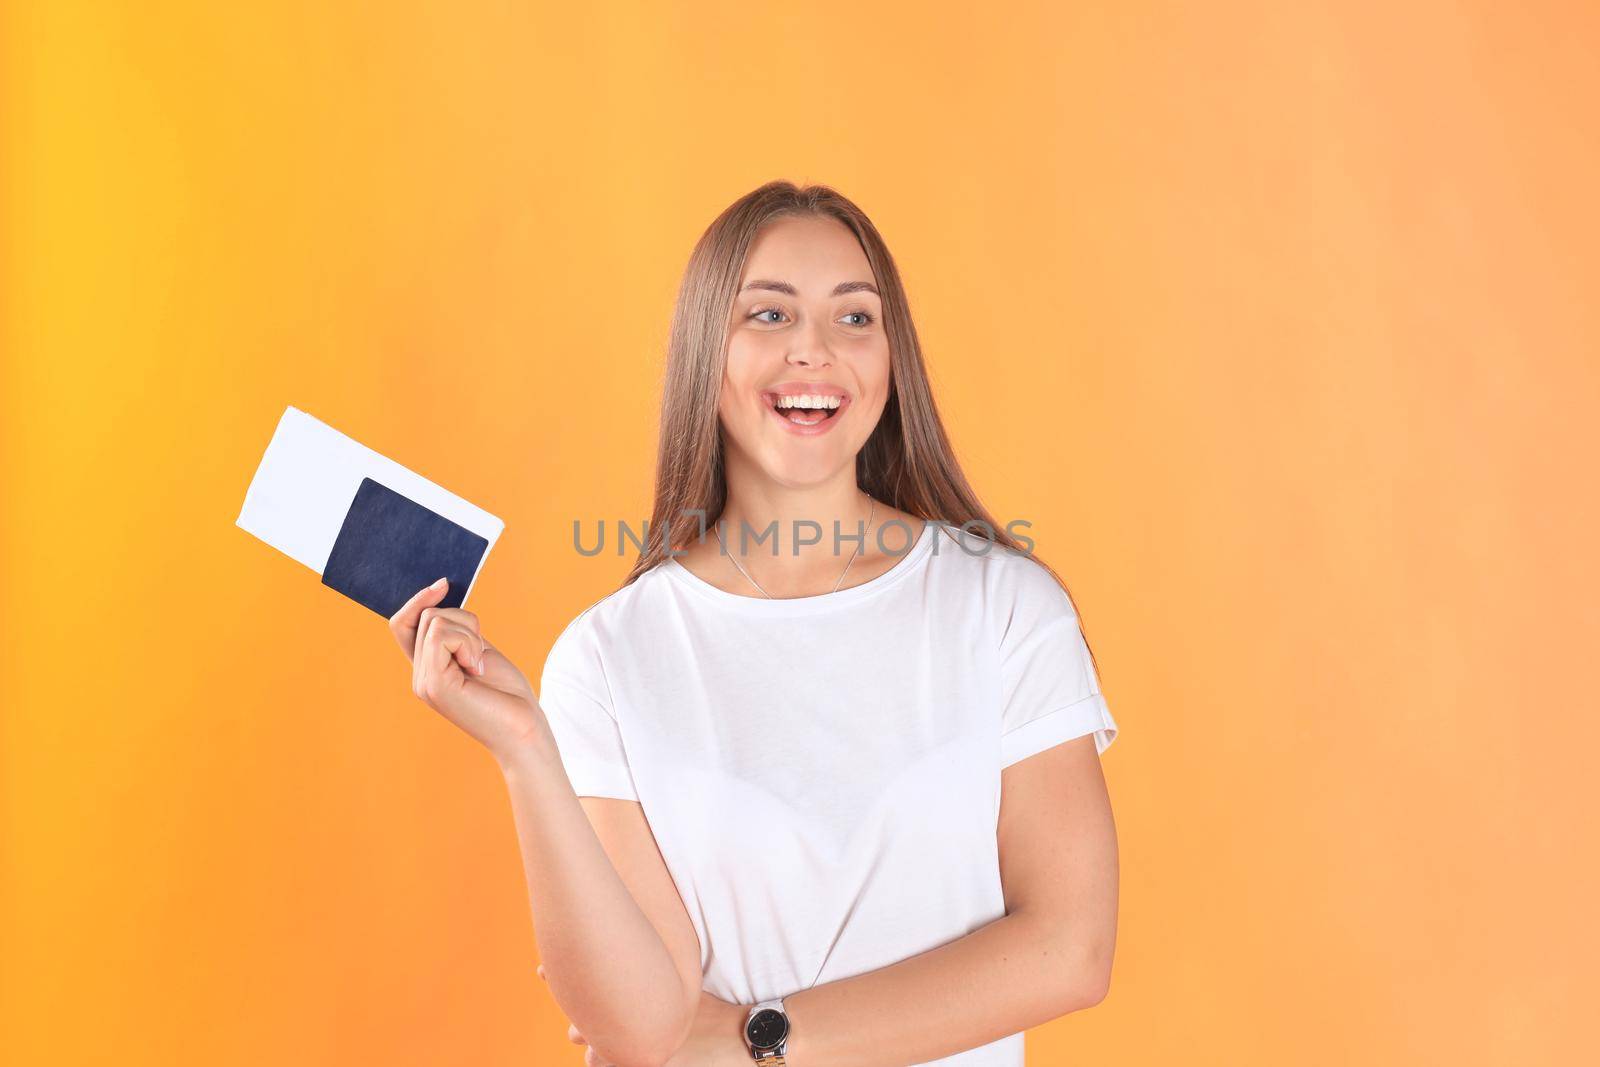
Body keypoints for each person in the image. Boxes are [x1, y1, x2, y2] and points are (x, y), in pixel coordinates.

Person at [388, 181, 1121, 1067]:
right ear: (707, 352)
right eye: (769, 315)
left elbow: (1069, 948)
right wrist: (523, 750)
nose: (814, 349)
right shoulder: (610, 655)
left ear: (893, 365)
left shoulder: (1002, 608)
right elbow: (642, 1026)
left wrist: (759, 1038)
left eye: (856, 319)